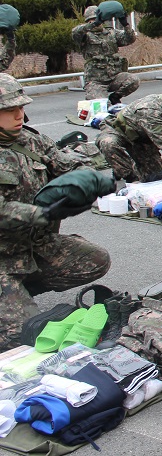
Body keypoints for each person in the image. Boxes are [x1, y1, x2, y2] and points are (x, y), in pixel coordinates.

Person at [0, 74, 109, 351]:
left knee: (96, 260)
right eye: (9, 110)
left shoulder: (29, 141)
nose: (18, 116)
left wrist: (89, 181)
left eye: (21, 108)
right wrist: (43, 213)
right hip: (2, 258)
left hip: (34, 247)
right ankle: (10, 294)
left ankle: (20, 290)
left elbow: (66, 165)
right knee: (22, 339)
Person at [71, 5, 139, 105]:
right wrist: (93, 24)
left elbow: (129, 39)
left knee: (133, 80)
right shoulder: (85, 36)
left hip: (114, 78)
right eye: (91, 20)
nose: (95, 22)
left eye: (97, 19)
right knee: (102, 105)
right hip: (96, 82)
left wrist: (126, 25)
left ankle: (115, 97)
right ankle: (101, 99)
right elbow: (75, 32)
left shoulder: (111, 33)